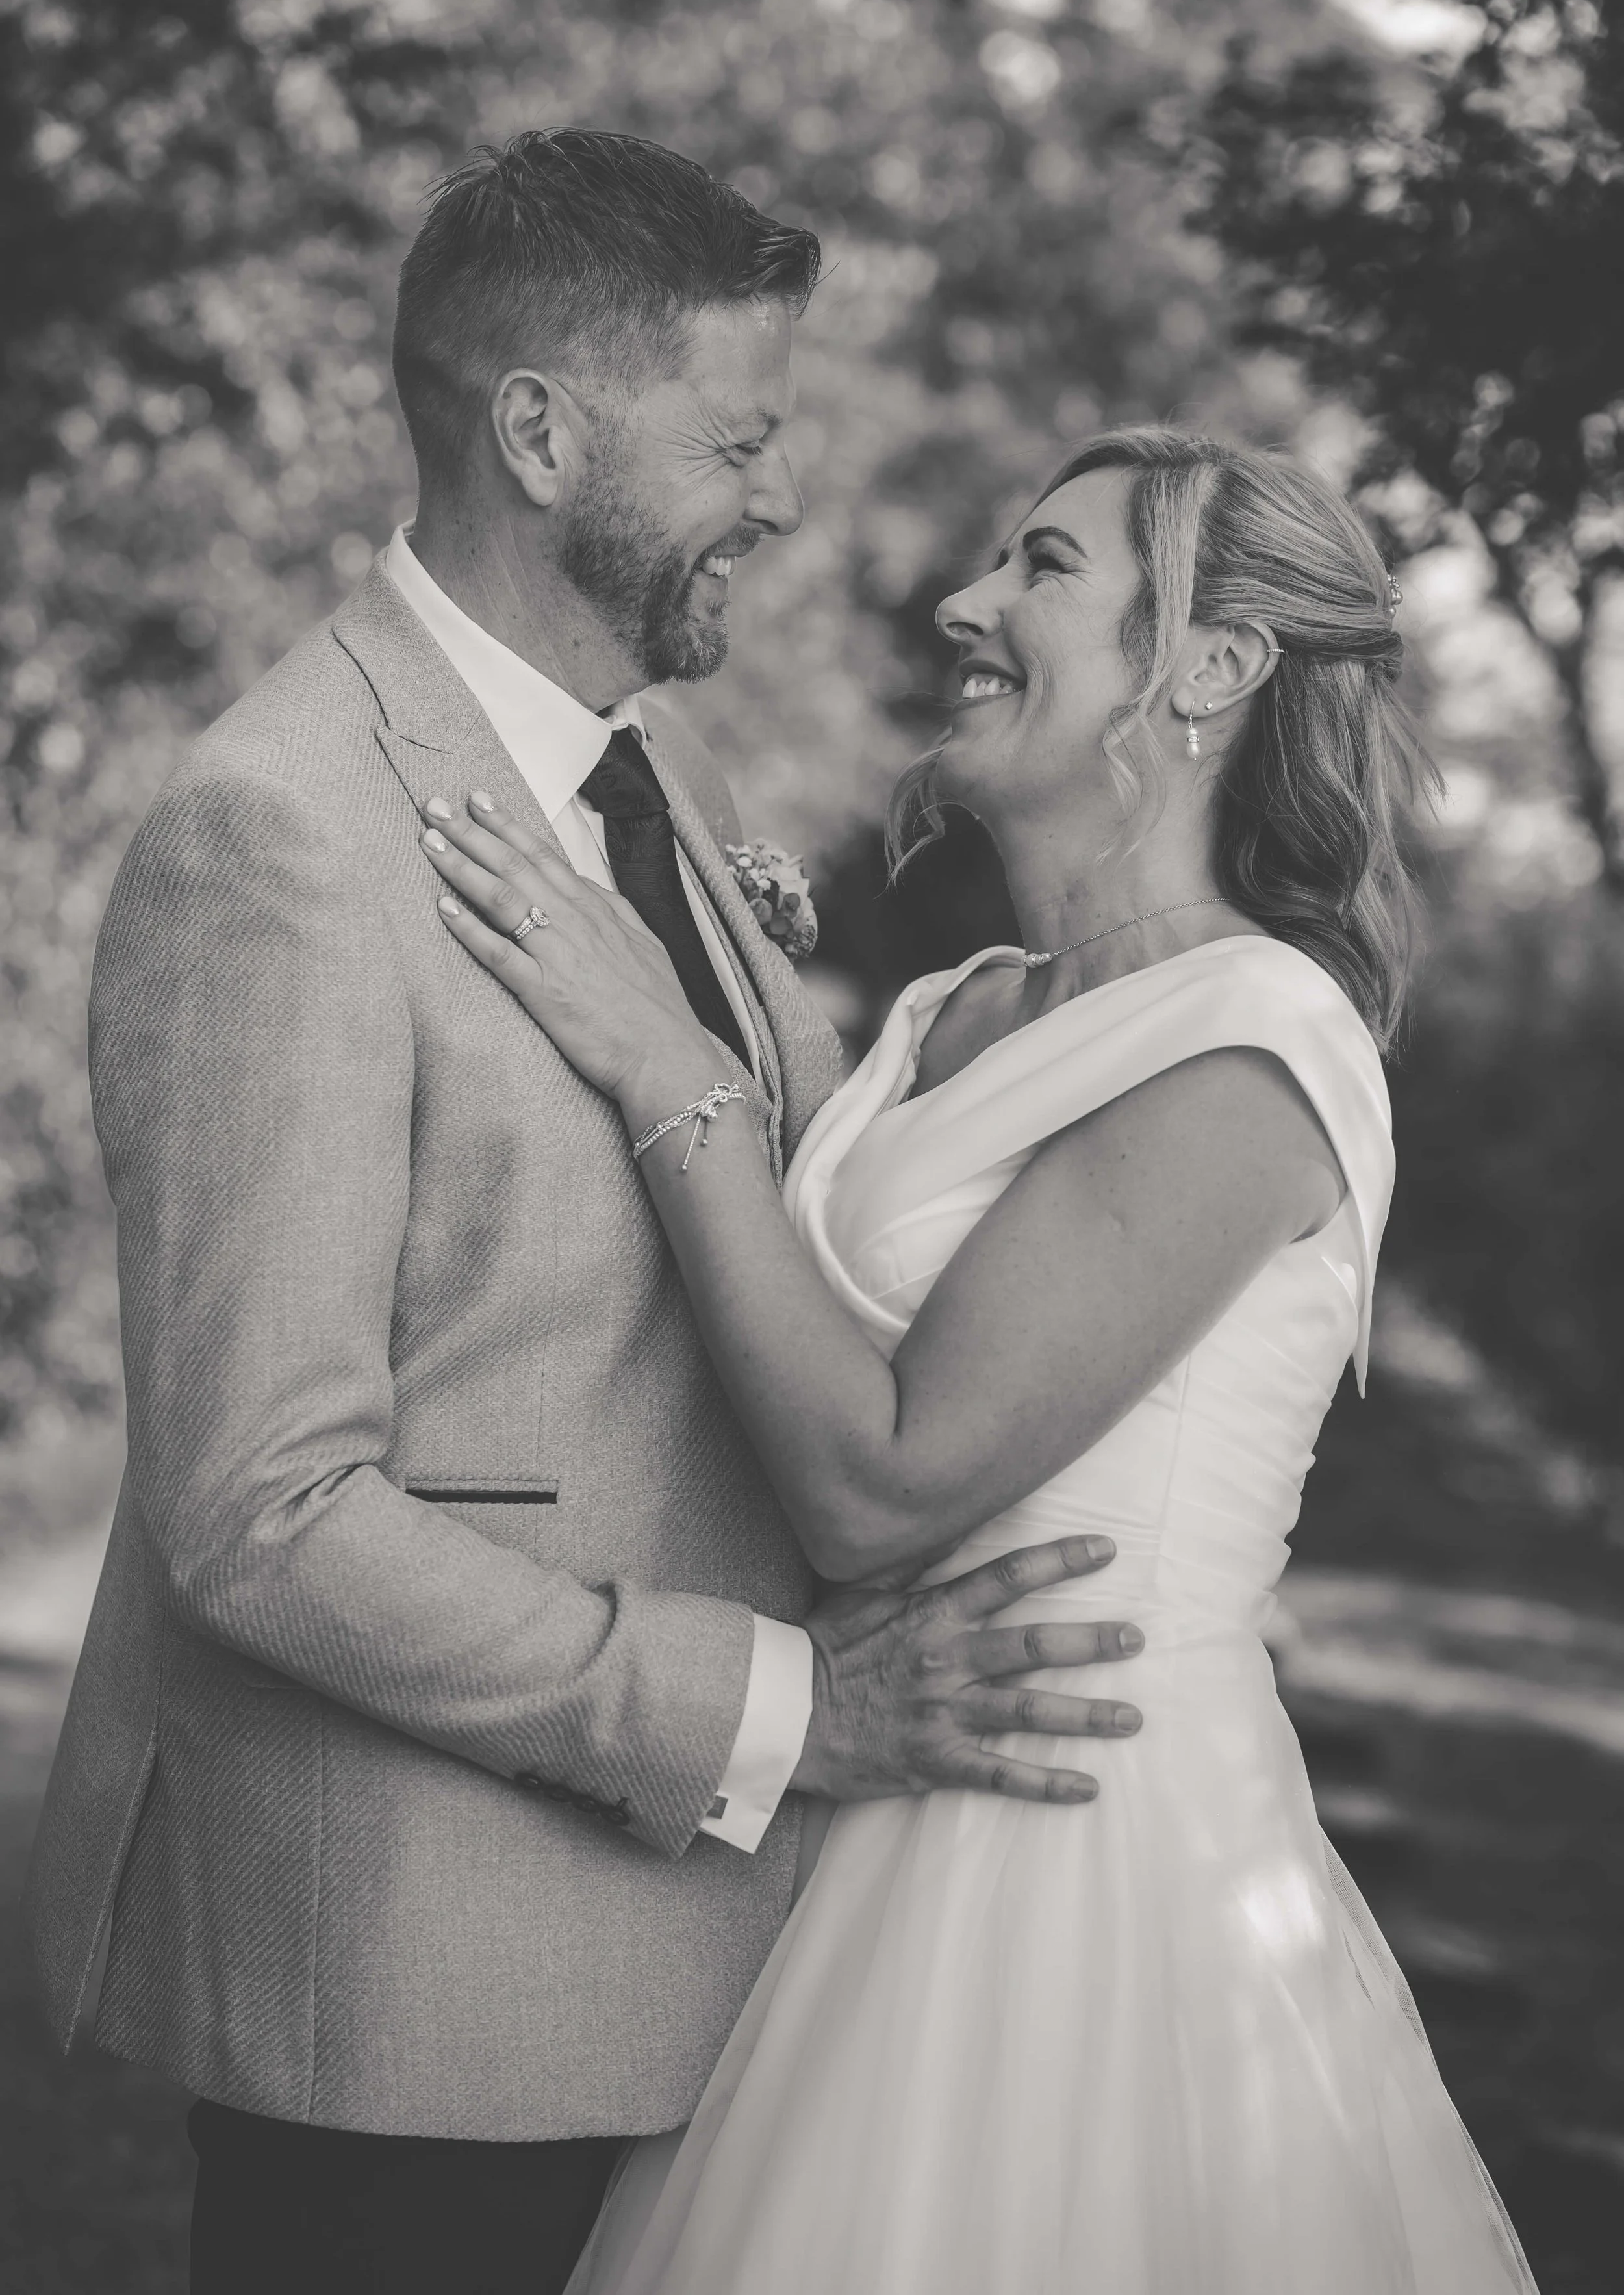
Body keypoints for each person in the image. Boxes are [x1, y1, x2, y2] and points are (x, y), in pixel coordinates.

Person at [22, 133, 1145, 2295]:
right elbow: (259, 1508)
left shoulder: (655, 775)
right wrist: (773, 1711)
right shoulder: (278, 835)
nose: (785, 495)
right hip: (415, 2008)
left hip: (707, 1981)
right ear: (540, 434)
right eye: (737, 438)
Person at [416, 426, 1540, 2292]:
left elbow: (879, 1483)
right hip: (843, 1811)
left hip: (1078, 1850)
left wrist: (669, 1070)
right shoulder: (954, 1011)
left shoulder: (1252, 1042)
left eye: (1045, 567)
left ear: (1211, 663)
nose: (963, 601)